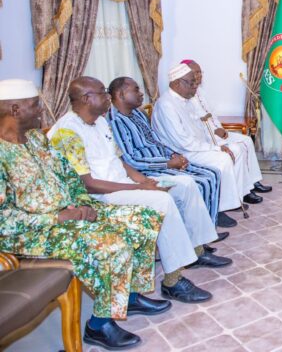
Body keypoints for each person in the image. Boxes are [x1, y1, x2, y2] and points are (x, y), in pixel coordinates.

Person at [0, 79, 170, 350]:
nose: (41, 110)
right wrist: (58, 218)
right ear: (15, 110)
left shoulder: (36, 139)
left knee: (142, 219)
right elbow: (4, 220)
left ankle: (128, 296)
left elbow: (70, 177)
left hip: (69, 212)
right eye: (35, 105)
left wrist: (81, 205)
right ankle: (99, 326)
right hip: (33, 231)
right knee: (112, 244)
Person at [48, 76, 230, 305]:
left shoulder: (100, 122)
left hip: (123, 183)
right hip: (99, 196)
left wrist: (145, 181)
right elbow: (87, 184)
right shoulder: (67, 131)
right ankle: (173, 281)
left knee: (185, 185)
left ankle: (198, 249)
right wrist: (139, 187)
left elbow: (119, 161)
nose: (108, 97)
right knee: (162, 202)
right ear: (86, 98)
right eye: (103, 93)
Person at [107, 76, 237, 228]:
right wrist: (168, 163)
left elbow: (155, 140)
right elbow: (131, 160)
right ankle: (200, 231)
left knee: (213, 173)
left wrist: (174, 155)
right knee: (200, 181)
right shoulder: (115, 121)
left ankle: (210, 220)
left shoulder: (137, 113)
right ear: (121, 95)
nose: (141, 93)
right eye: (136, 90)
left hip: (165, 158)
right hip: (149, 169)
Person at [152, 64, 264, 214]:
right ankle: (221, 207)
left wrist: (216, 144)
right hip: (181, 153)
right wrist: (216, 148)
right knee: (223, 158)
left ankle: (237, 197)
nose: (195, 86)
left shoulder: (185, 100)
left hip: (197, 147)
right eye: (191, 83)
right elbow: (183, 141)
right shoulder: (166, 105)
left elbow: (201, 127)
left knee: (235, 150)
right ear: (177, 83)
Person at [182, 59, 271, 195]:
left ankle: (254, 182)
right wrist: (215, 131)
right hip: (207, 138)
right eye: (196, 72)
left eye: (200, 72)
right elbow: (197, 123)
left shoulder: (201, 92)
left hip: (216, 132)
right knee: (239, 147)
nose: (199, 75)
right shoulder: (186, 96)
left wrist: (220, 128)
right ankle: (244, 191)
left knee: (247, 140)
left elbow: (212, 114)